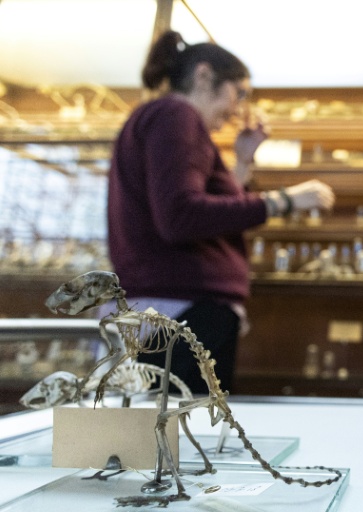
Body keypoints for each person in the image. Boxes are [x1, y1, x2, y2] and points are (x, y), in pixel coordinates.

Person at [106, 30, 335, 394]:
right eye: (238, 92)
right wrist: (284, 200)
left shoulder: (163, 117)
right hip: (181, 316)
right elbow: (181, 216)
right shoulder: (175, 114)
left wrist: (243, 159)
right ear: (203, 75)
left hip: (172, 312)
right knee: (184, 435)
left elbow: (203, 214)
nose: (237, 109)